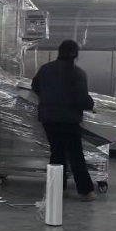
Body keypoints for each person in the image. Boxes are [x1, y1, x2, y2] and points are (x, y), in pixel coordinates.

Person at [31, 39, 96, 200]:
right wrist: (92, 105)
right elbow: (82, 99)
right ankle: (86, 191)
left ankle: (57, 189)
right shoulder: (78, 73)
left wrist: (47, 97)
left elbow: (35, 86)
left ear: (59, 52)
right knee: (75, 154)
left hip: (48, 119)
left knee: (57, 153)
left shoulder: (45, 69)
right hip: (69, 120)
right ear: (76, 55)